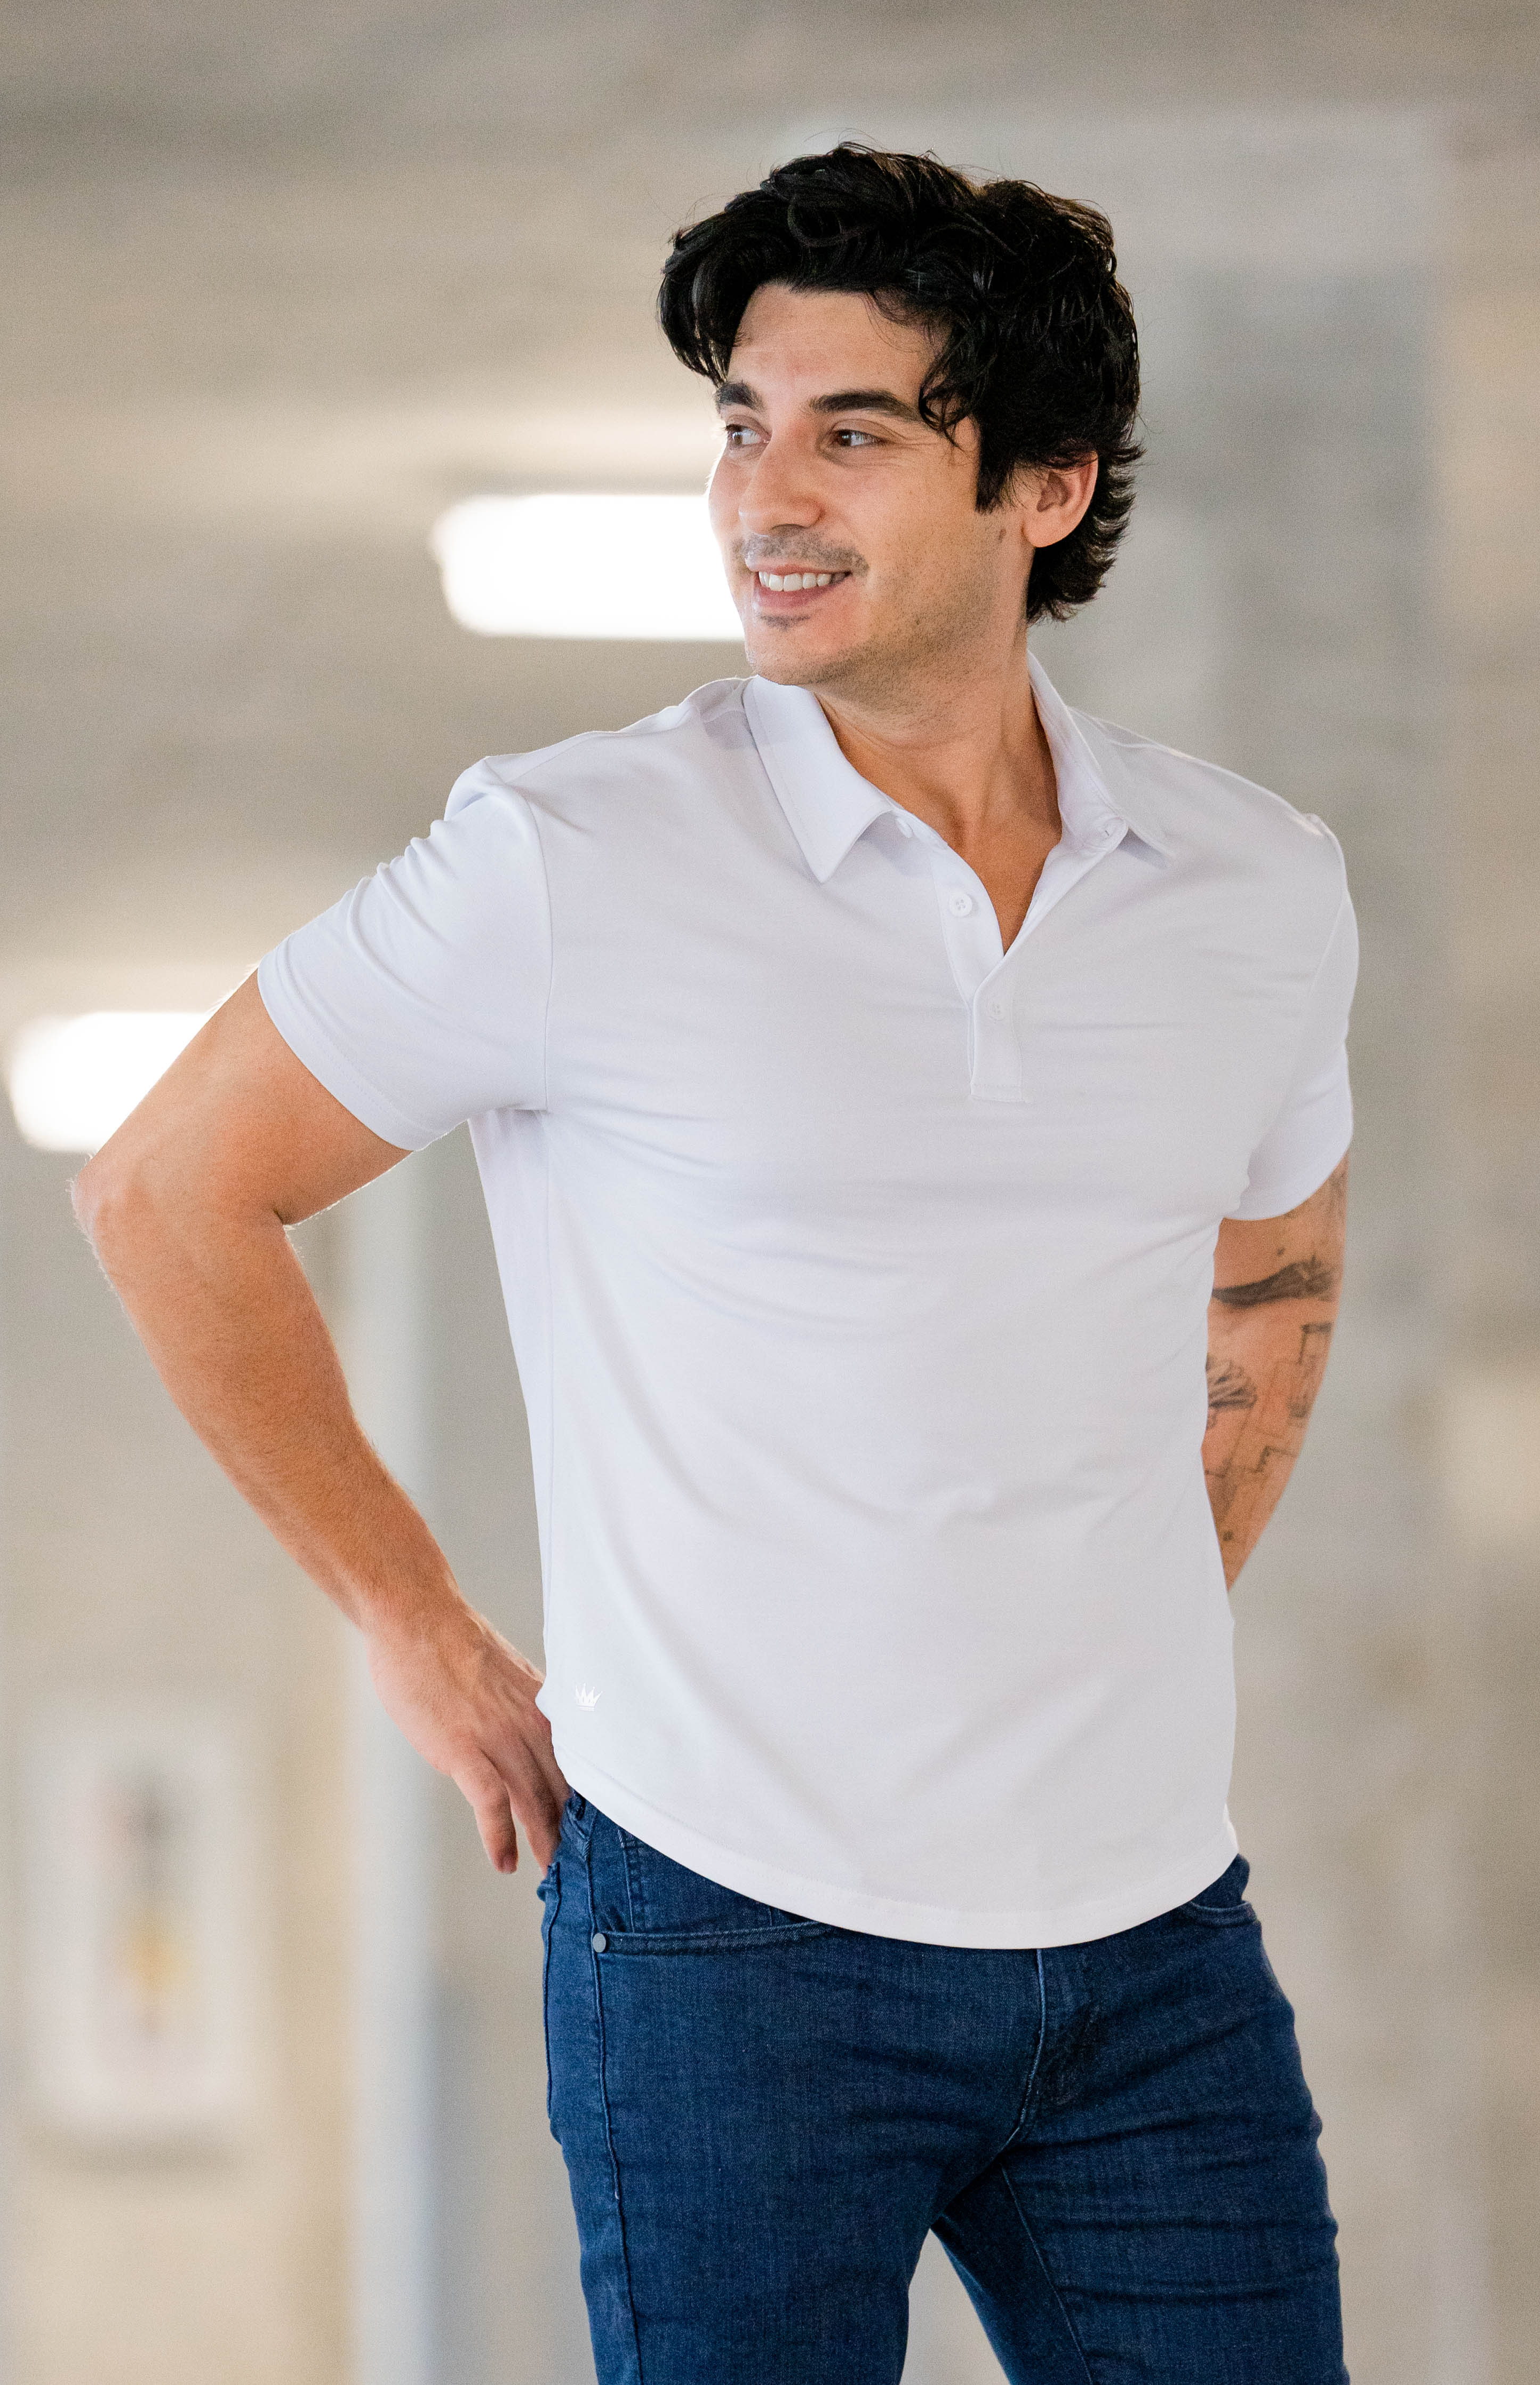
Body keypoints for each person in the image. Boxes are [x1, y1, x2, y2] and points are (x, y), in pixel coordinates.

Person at [75, 146, 1355, 2385]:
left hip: (1152, 1945)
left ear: (1045, 486)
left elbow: (1272, 1276)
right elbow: (169, 1189)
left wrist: (1119, 1609)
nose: (766, 495)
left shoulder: (1252, 885)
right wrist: (410, 1619)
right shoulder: (573, 855)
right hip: (729, 1939)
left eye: (851, 433)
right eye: (741, 426)